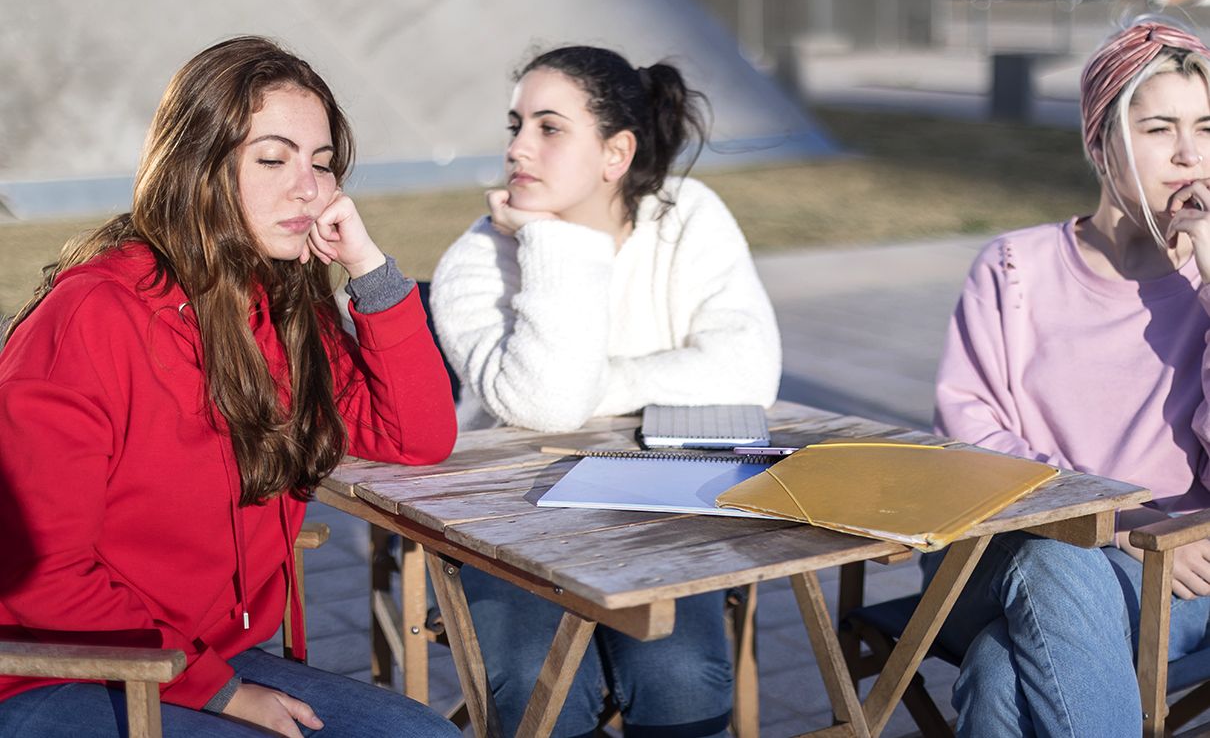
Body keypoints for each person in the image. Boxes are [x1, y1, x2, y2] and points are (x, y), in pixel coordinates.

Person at [0, 36, 460, 738]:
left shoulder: (282, 310)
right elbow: (42, 572)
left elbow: (415, 436)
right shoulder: (91, 318)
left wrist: (369, 268)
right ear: (198, 166)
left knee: (425, 734)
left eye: (322, 163)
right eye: (273, 159)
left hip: (212, 658)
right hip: (61, 668)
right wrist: (219, 692)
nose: (309, 188)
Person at [429, 45, 780, 736]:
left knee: (681, 673)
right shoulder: (478, 258)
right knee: (540, 681)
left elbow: (750, 368)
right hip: (510, 519)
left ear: (615, 153)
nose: (517, 148)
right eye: (516, 126)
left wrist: (598, 381)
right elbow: (547, 407)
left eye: (549, 128)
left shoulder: (687, 215)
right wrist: (550, 242)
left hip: (660, 505)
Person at [929, 18, 1210, 737]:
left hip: (1180, 572)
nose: (1189, 154)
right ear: (1100, 141)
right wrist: (1114, 522)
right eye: (1159, 129)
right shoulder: (1014, 267)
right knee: (1057, 558)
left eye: (1206, 128)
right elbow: (972, 442)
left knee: (1000, 671)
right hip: (998, 553)